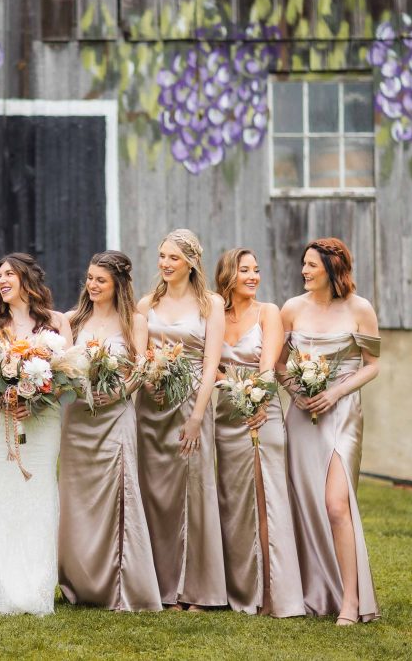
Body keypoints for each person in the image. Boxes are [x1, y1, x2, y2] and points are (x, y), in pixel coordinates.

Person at [278, 237, 382, 625]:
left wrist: (336, 391)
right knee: (306, 503)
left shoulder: (360, 308)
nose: (304, 271)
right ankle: (315, 590)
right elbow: (279, 365)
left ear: (332, 269)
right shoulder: (292, 309)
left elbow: (372, 364)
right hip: (303, 416)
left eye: (311, 265)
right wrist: (296, 393)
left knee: (338, 505)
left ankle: (352, 601)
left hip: (342, 414)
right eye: (303, 264)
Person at [0, 252, 73, 616]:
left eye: (9, 273)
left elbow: (66, 376)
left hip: (42, 423)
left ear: (28, 279)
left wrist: (37, 397)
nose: (1, 279)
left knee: (37, 493)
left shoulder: (57, 323)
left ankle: (36, 584)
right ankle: (0, 583)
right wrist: (8, 395)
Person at [58, 251, 162, 612]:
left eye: (100, 280)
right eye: (89, 278)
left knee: (118, 494)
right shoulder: (73, 320)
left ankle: (118, 582)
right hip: (78, 418)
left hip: (115, 416)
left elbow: (141, 368)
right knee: (78, 497)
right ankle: (77, 580)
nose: (93, 285)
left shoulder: (135, 321)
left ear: (118, 283)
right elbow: (61, 366)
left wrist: (118, 392)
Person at [135, 229, 227, 610]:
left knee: (192, 491)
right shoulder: (146, 303)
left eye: (173, 258)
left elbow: (210, 364)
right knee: (155, 494)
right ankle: (158, 586)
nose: (165, 264)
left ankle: (195, 590)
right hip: (150, 404)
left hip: (191, 401)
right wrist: (149, 378)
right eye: (161, 256)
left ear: (191, 262)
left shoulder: (211, 304)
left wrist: (198, 416)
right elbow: (139, 355)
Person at [213, 248, 303, 617]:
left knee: (268, 501)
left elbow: (267, 365)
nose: (253, 276)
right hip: (224, 416)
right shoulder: (215, 313)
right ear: (228, 276)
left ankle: (274, 595)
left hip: (262, 415)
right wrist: (230, 386)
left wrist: (259, 399)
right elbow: (211, 365)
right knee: (232, 504)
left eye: (256, 270)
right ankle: (238, 589)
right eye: (244, 270)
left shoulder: (269, 312)